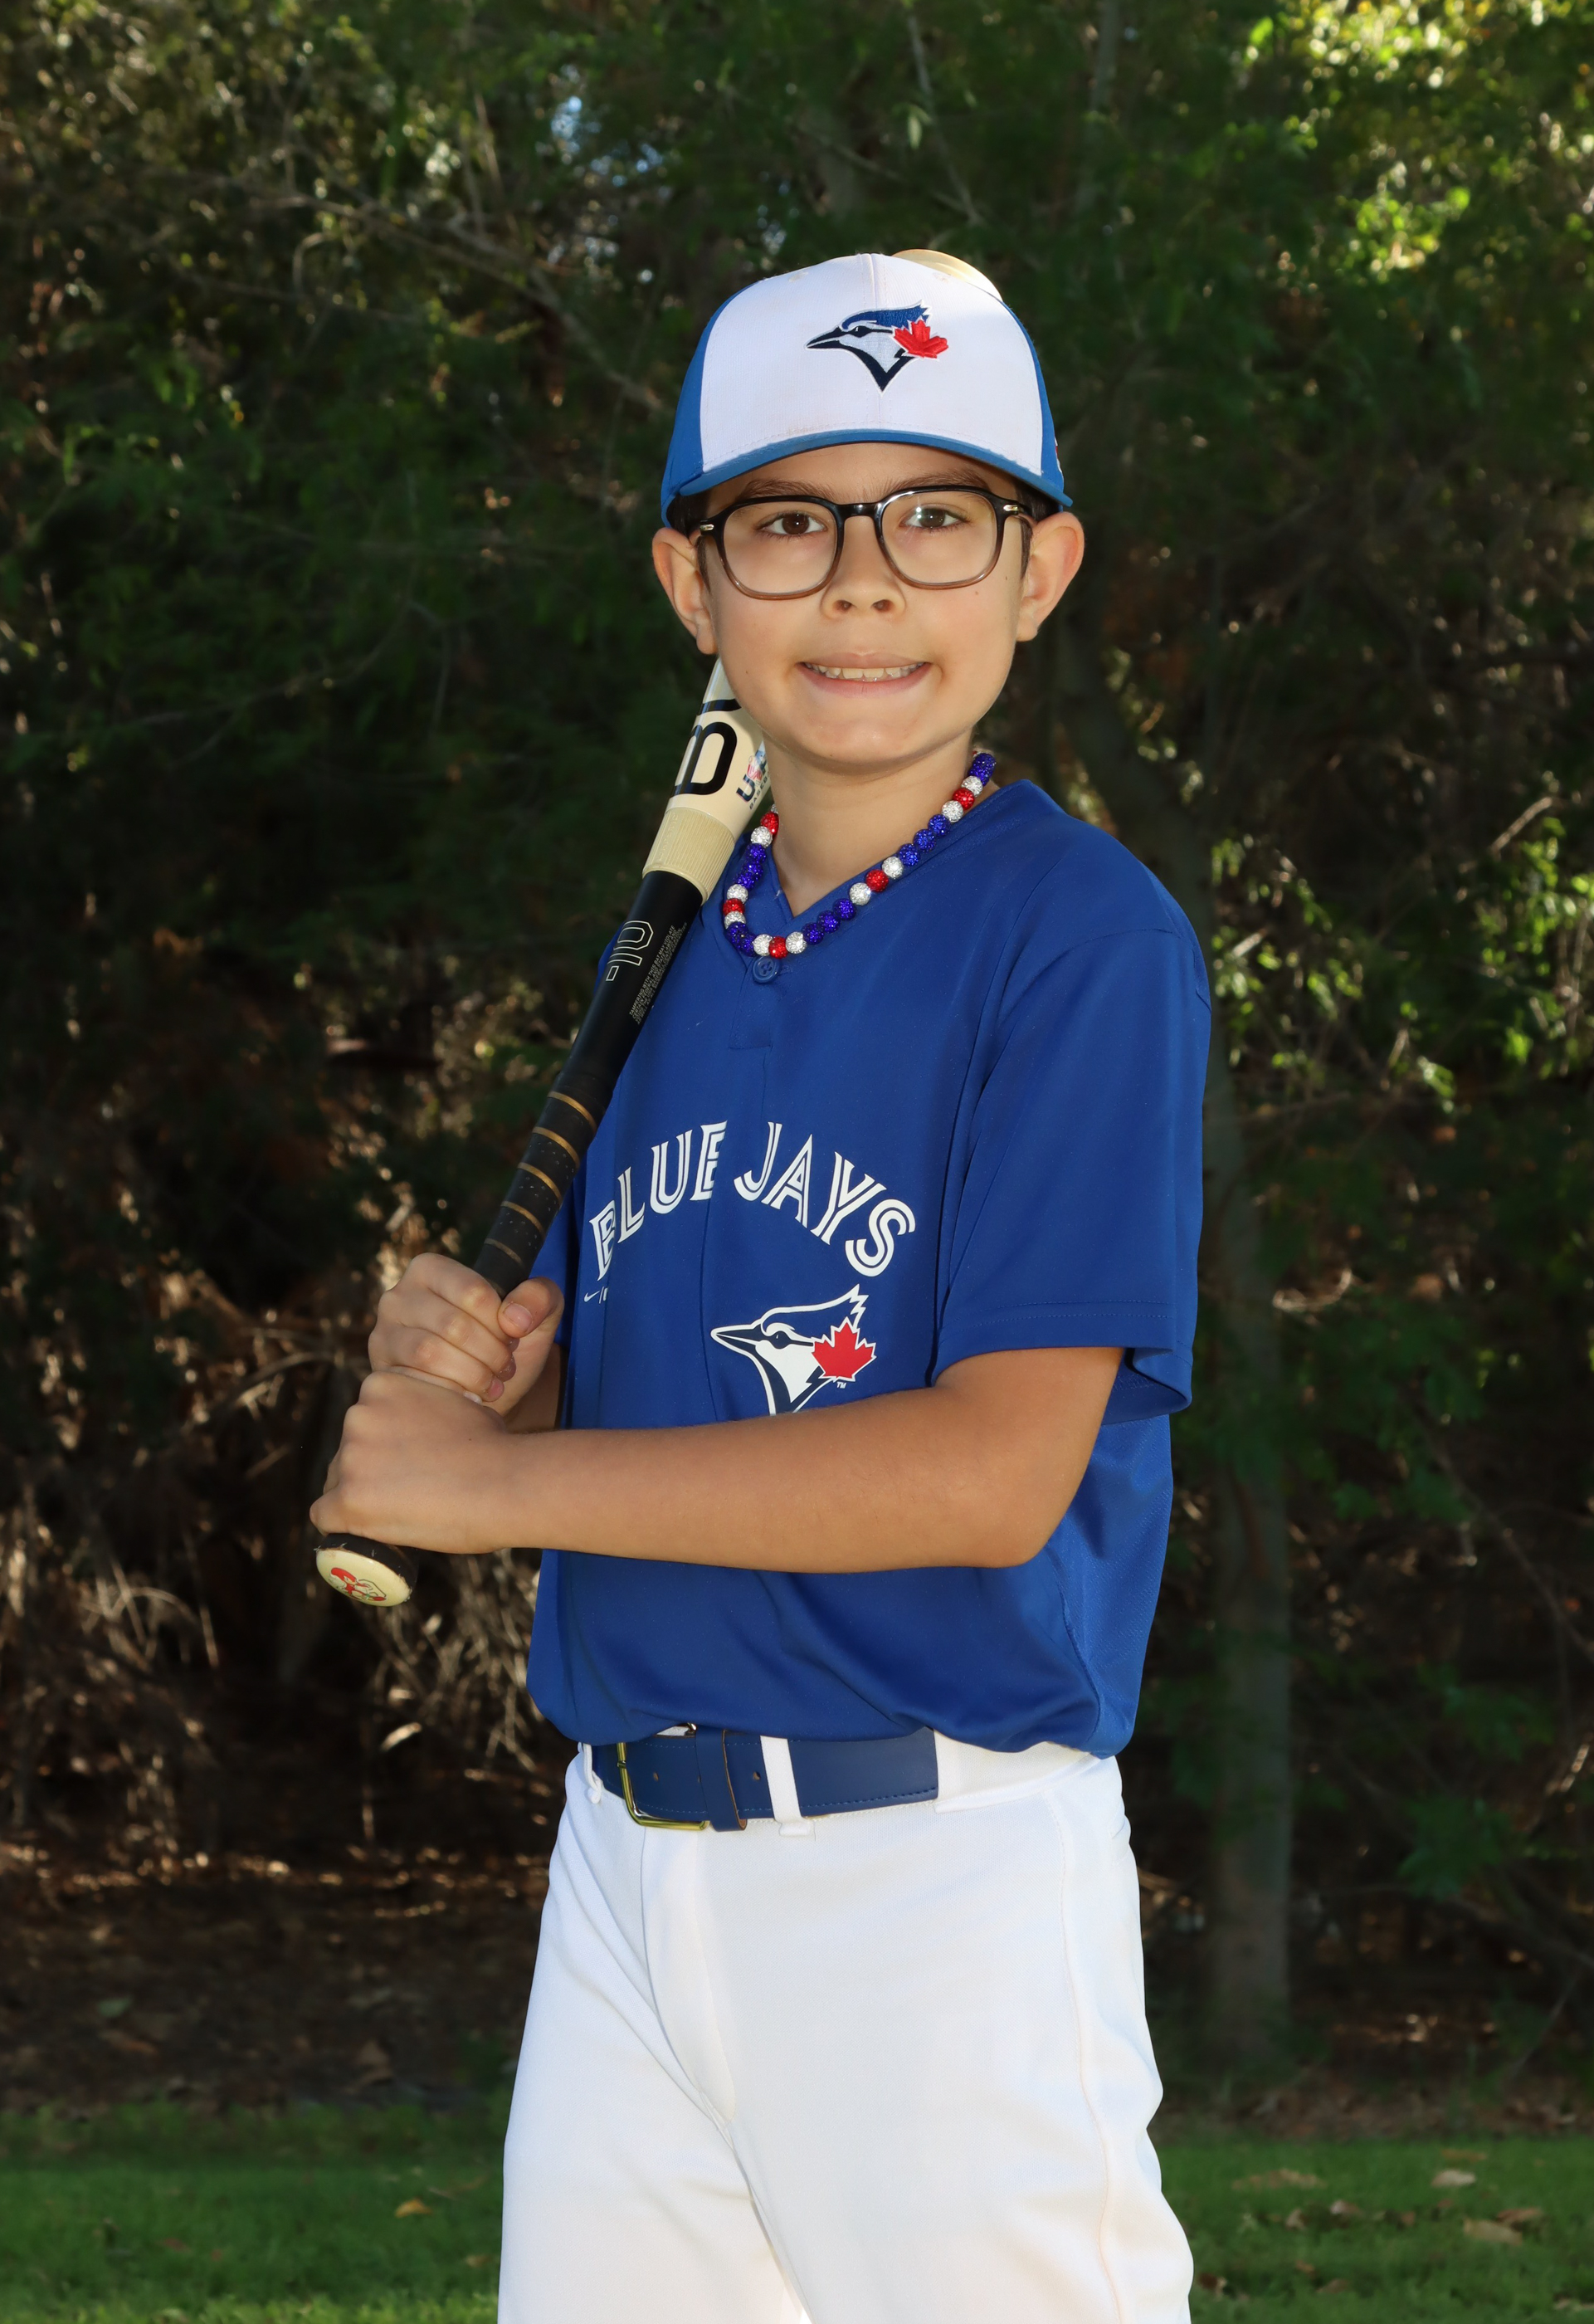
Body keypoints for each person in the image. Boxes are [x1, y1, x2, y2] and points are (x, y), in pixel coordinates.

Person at [313, 249, 1209, 2324]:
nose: (865, 583)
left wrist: (496, 1489)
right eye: (790, 522)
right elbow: (650, 1387)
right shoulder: (681, 941)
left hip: (933, 1881)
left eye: (938, 517)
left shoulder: (1082, 940)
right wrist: (492, 1379)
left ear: (1041, 570)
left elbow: (987, 1471)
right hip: (627, 1865)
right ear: (692, 583)